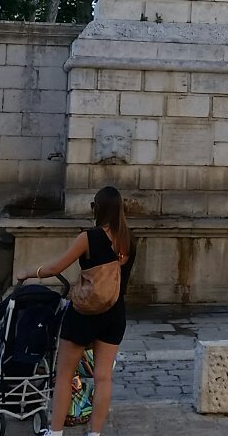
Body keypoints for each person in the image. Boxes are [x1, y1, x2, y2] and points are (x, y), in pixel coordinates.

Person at [21, 186, 136, 436]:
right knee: (104, 377)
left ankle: (56, 432)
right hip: (115, 314)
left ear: (98, 209)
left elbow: (55, 268)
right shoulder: (128, 240)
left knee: (64, 373)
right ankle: (94, 434)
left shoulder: (88, 237)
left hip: (84, 313)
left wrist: (28, 273)